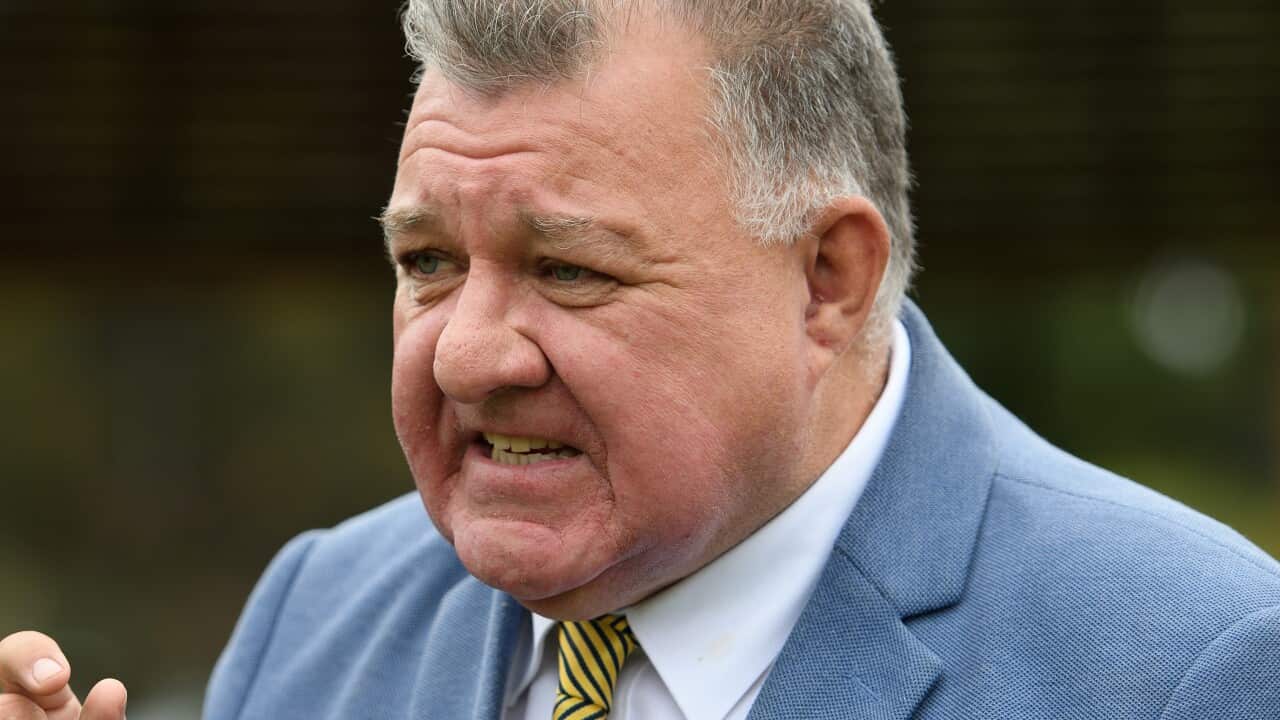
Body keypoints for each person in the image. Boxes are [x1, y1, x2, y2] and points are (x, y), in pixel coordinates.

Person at [3, 1, 1279, 718]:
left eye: (568, 268)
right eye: (427, 262)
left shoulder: (1191, 669)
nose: (468, 354)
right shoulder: (318, 622)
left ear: (825, 278)